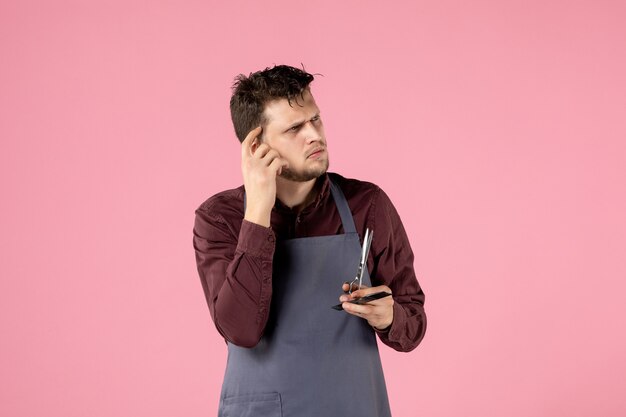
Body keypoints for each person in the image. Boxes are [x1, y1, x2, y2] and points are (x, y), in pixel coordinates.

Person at [193, 64, 426, 417]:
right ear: (257, 146)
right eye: (294, 129)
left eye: (315, 120)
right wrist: (257, 211)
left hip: (354, 407)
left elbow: (413, 321)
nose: (314, 135)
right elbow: (240, 330)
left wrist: (389, 316)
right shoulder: (219, 218)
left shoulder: (368, 205)